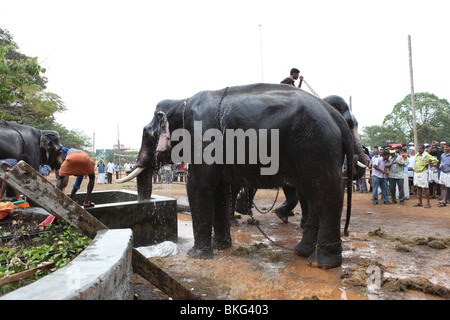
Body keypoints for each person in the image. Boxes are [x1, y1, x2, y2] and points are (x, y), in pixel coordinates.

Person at [413, 144, 439, 208]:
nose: (419, 150)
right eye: (418, 148)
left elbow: (436, 160)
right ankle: (420, 202)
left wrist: (429, 163)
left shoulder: (426, 155)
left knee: (426, 187)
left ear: (423, 149)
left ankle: (428, 203)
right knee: (418, 187)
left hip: (423, 172)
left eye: (421, 148)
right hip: (416, 172)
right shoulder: (417, 155)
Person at [438, 142, 450, 207]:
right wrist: (440, 165)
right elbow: (441, 162)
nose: (445, 148)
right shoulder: (442, 155)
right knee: (444, 186)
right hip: (443, 172)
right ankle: (444, 200)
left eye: (447, 147)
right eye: (445, 147)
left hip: (449, 172)